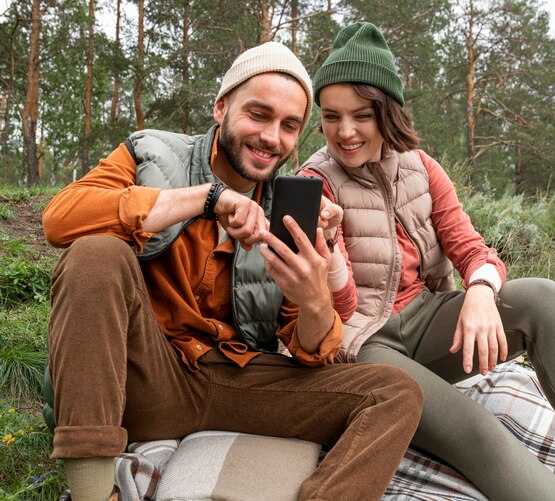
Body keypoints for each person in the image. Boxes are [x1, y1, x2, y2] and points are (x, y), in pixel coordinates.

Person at [42, 41, 424, 501]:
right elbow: (61, 218)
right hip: (147, 377)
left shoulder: (290, 207)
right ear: (221, 107)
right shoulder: (151, 152)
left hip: (236, 378)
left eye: (288, 126)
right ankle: (91, 495)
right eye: (258, 115)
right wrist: (207, 199)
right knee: (96, 254)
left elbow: (311, 354)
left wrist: (314, 296)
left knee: (395, 393)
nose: (271, 137)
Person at [300, 22, 555, 501]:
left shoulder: (421, 168)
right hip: (361, 344)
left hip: (424, 318)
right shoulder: (315, 182)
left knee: (542, 297)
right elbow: (340, 307)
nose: (344, 132)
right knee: (479, 428)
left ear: (387, 112)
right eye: (331, 117)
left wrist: (479, 291)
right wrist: (325, 246)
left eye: (361, 115)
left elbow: (472, 248)